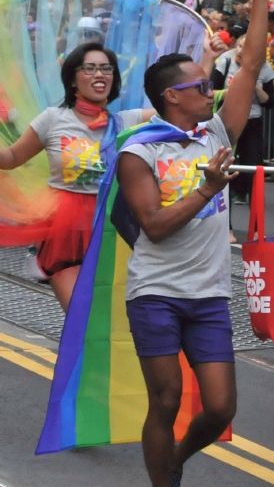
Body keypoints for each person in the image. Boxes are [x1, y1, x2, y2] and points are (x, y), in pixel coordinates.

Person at [113, 0, 269, 487]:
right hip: (156, 292)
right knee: (166, 397)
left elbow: (250, 62)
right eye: (200, 87)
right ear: (171, 98)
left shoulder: (217, 133)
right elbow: (152, 225)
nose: (212, 92)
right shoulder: (140, 151)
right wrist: (207, 187)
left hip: (206, 294)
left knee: (222, 408)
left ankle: (173, 461)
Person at [0, 44, 157, 309]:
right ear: (73, 78)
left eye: (107, 69)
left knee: (112, 318)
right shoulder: (52, 119)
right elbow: (13, 158)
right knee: (80, 316)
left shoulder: (125, 122)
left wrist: (208, 59)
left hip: (112, 229)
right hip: (65, 234)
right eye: (90, 68)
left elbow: (177, 109)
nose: (100, 74)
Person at [210, 34, 274, 203]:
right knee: (225, 167)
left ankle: (255, 225)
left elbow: (270, 102)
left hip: (252, 122)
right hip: (227, 122)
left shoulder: (265, 68)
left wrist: (251, 82)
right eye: (239, 46)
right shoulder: (225, 63)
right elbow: (210, 93)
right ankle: (228, 224)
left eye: (247, 48)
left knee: (254, 170)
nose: (241, 51)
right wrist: (232, 90)